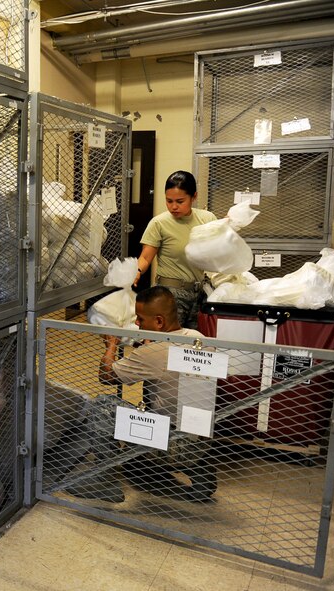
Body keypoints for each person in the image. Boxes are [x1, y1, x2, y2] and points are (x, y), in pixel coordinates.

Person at [98, 286, 216, 502]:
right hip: (201, 441)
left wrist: (111, 345)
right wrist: (149, 346)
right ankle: (199, 470)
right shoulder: (199, 338)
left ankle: (103, 483)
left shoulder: (153, 353)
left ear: (159, 322)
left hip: (171, 444)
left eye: (141, 319)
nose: (137, 324)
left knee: (103, 406)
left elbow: (106, 376)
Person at [135, 170, 217, 330]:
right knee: (166, 344)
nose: (173, 206)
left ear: (194, 197)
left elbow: (218, 251)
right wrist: (136, 271)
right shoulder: (159, 223)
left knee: (192, 346)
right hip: (170, 295)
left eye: (180, 201)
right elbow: (145, 257)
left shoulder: (207, 219)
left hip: (199, 293)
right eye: (169, 201)